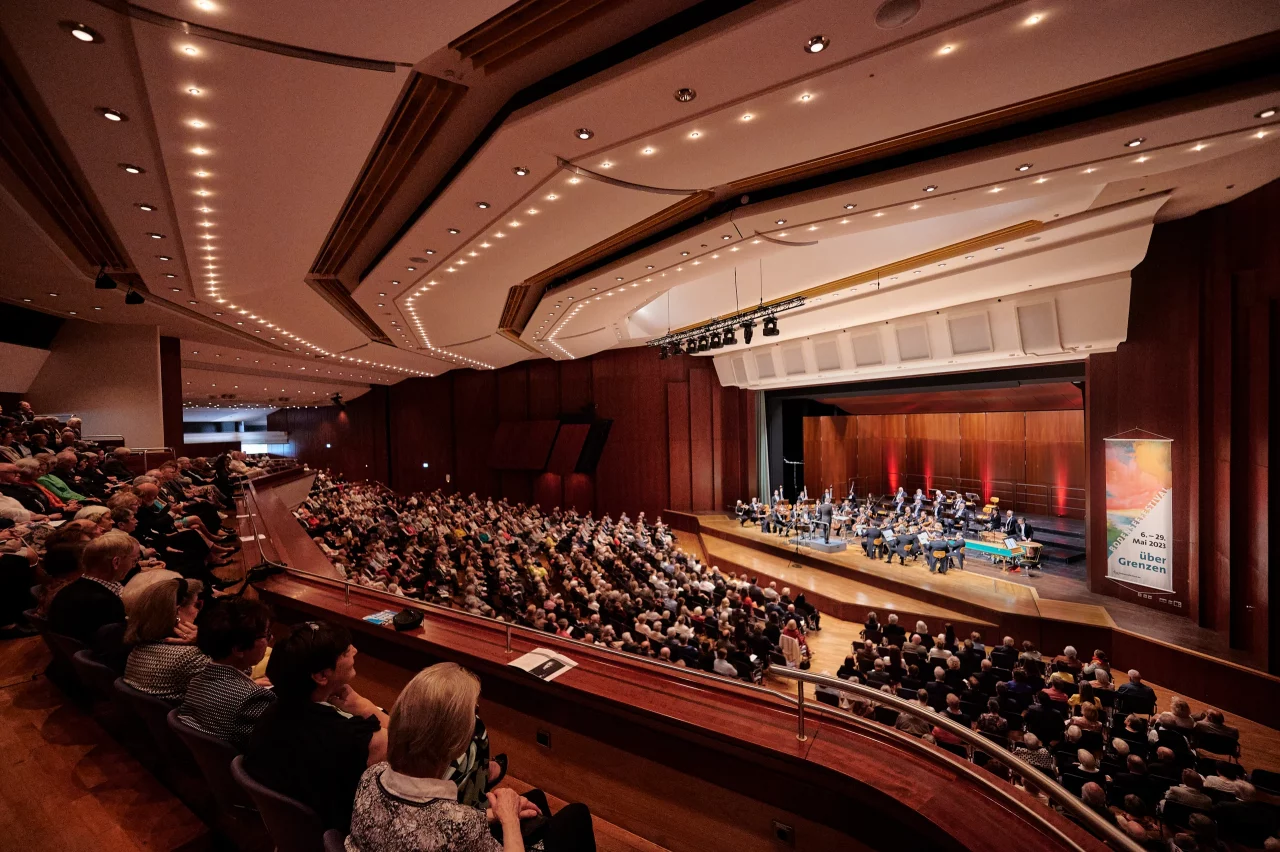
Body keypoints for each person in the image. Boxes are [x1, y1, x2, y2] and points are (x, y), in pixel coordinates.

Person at [349, 663, 595, 852]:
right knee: (577, 815)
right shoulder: (459, 823)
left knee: (537, 800)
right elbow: (451, 825)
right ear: (456, 746)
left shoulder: (371, 776)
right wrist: (508, 819)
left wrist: (492, 814)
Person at [244, 621, 388, 832]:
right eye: (347, 652)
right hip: (338, 832)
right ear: (321, 676)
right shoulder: (350, 738)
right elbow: (410, 743)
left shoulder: (270, 712)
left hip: (289, 831)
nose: (355, 651)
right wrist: (364, 706)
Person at [177, 598, 275, 747]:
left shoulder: (196, 680)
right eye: (266, 635)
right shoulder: (254, 697)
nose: (271, 639)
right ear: (239, 649)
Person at [46, 530, 133, 651]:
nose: (133, 566)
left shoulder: (66, 590)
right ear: (116, 562)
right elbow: (122, 644)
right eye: (132, 560)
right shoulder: (104, 603)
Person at [122, 578, 208, 701]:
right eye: (197, 605)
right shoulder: (189, 657)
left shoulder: (137, 650)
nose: (197, 612)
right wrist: (205, 641)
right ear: (177, 612)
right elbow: (237, 677)